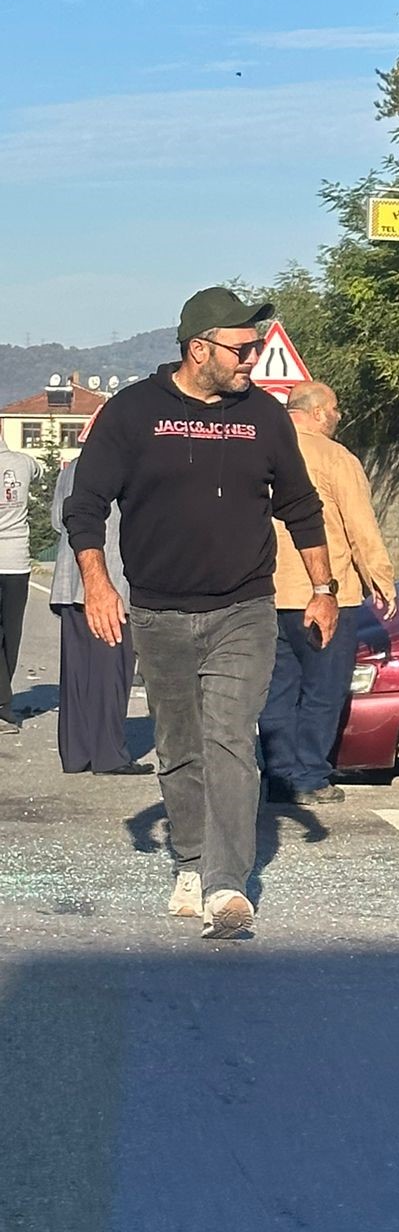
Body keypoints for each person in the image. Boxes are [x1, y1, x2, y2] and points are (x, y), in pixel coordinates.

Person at [65, 286, 337, 940]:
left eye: (257, 347)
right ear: (199, 348)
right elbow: (86, 507)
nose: (253, 359)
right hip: (160, 613)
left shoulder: (265, 417)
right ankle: (189, 857)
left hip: (244, 606)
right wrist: (98, 584)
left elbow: (299, 504)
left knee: (229, 739)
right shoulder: (133, 412)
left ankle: (225, 884)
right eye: (243, 349)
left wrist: (324, 588)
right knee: (180, 746)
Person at [259, 381, 397, 807]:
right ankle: (310, 775)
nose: (338, 415)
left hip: (270, 591)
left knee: (277, 688)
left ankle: (278, 774)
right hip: (327, 592)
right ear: (317, 412)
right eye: (334, 408)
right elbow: (359, 525)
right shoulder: (336, 458)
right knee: (324, 687)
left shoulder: (263, 452)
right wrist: (381, 577)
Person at [49, 435, 148, 775]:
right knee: (112, 671)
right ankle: (109, 754)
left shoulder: (72, 468)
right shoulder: (131, 465)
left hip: (70, 579)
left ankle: (75, 753)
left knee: (76, 672)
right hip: (111, 580)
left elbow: (55, 520)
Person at [0, 439, 34, 734]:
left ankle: (2, 701)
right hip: (17, 561)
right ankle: (3, 699)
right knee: (11, 634)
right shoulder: (23, 463)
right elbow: (37, 470)